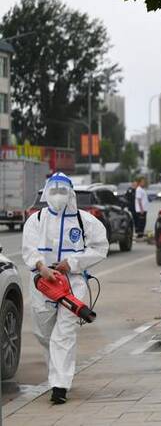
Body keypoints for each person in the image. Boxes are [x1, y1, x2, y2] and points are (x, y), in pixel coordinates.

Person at [22, 172, 108, 404]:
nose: (58, 196)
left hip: (73, 284)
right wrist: (42, 267)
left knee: (65, 333)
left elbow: (100, 247)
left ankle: (59, 386)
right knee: (45, 334)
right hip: (43, 284)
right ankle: (57, 373)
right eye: (54, 190)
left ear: (70, 194)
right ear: (47, 192)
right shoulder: (36, 220)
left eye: (63, 191)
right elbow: (29, 249)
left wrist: (72, 263)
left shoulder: (85, 221)